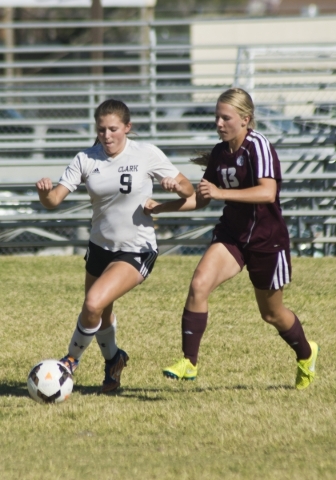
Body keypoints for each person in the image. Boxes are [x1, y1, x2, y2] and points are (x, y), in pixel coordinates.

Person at [146, 87, 319, 390]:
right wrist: (162, 206)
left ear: (245, 119)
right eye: (216, 117)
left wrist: (221, 193)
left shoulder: (258, 146)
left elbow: (268, 192)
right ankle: (189, 363)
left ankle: (306, 353)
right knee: (199, 284)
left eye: (225, 118)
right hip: (232, 236)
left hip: (268, 241)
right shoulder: (219, 152)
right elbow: (201, 200)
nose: (219, 123)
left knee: (272, 314)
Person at [36, 98, 194, 393]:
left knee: (93, 303)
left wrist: (175, 186)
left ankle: (69, 362)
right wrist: (45, 193)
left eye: (113, 129)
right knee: (101, 311)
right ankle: (114, 360)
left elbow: (188, 190)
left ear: (127, 128)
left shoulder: (146, 154)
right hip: (99, 247)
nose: (107, 136)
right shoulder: (86, 158)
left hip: (136, 249)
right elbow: (54, 201)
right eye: (101, 130)